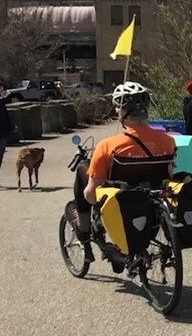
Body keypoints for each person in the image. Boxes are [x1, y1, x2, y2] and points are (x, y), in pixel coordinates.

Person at [72, 81, 176, 264]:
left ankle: (84, 230)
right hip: (152, 201)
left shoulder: (108, 145)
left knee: (82, 169)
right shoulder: (168, 142)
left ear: (122, 113)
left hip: (121, 202)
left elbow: (90, 195)